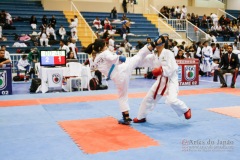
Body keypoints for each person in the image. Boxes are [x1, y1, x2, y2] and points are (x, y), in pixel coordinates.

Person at [89, 37, 160, 125]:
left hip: (117, 78)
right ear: (101, 48)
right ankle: (154, 44)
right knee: (139, 56)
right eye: (105, 45)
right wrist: (120, 58)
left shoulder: (95, 60)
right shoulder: (105, 53)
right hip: (123, 69)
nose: (106, 46)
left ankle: (126, 117)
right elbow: (111, 58)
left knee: (122, 95)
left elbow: (92, 67)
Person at [133, 34, 191, 123]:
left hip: (171, 80)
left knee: (171, 100)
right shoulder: (153, 56)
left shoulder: (168, 53)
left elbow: (172, 68)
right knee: (148, 98)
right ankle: (141, 117)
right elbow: (141, 61)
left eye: (159, 42)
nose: (157, 45)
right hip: (161, 80)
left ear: (163, 44)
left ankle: (185, 109)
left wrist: (160, 70)